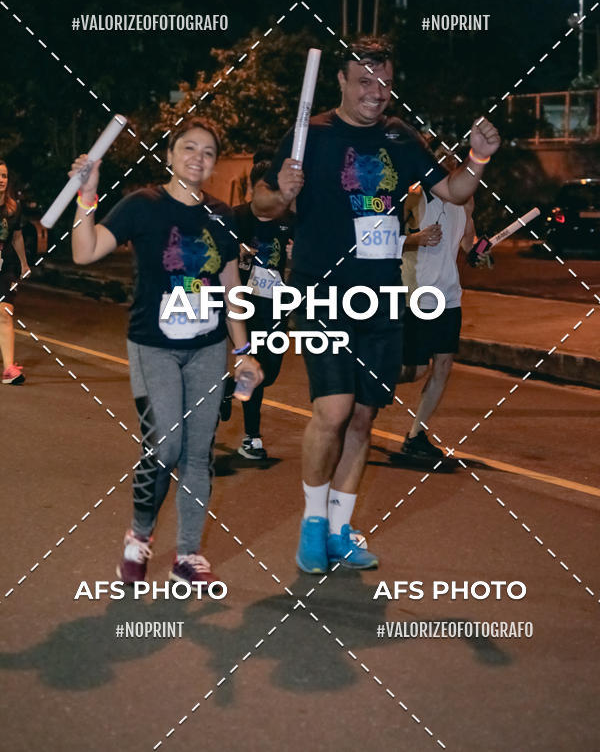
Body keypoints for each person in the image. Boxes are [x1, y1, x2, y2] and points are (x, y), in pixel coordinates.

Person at [253, 37, 501, 574]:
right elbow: (261, 205)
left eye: (384, 82)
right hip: (321, 290)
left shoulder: (399, 137)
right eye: (364, 80)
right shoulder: (311, 134)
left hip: (381, 295)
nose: (375, 91)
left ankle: (340, 529)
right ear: (341, 81)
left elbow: (454, 191)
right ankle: (313, 522)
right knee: (333, 409)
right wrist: (282, 192)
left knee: (364, 417)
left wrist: (479, 157)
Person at [69, 117, 263, 586]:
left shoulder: (222, 215)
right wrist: (86, 197)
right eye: (189, 148)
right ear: (170, 154)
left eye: (208, 152)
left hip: (207, 348)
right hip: (153, 346)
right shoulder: (144, 205)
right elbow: (84, 251)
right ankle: (139, 537)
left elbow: (231, 286)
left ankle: (188, 556)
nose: (198, 158)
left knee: (198, 453)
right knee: (165, 447)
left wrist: (244, 350)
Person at [399, 158, 485, 461]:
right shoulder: (414, 195)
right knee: (414, 370)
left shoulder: (466, 200)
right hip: (416, 294)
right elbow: (382, 240)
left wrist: (478, 253)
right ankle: (362, 383)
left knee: (444, 365)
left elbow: (467, 242)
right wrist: (415, 238)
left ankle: (415, 435)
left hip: (449, 296)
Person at [221, 153, 295, 460]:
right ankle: (252, 438)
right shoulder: (236, 218)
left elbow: (304, 263)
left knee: (269, 372)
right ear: (253, 189)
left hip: (275, 306)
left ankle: (226, 390)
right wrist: (235, 251)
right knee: (254, 366)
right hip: (243, 305)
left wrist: (295, 257)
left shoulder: (289, 222)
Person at [0, 160, 30, 385]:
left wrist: (24, 264)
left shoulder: (14, 208)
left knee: (5, 312)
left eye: (4, 176)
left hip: (6, 266)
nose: (1, 180)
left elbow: (17, 237)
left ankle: (9, 368)